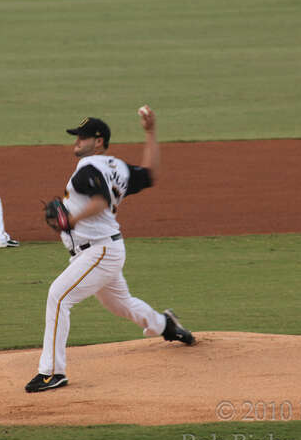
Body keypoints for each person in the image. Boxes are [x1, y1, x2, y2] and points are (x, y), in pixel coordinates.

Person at [25, 106, 194, 393]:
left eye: (84, 136)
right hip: (106, 249)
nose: (77, 140)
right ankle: (165, 324)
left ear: (99, 141)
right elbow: (150, 174)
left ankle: (52, 372)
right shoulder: (117, 167)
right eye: (77, 135)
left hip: (99, 252)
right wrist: (150, 132)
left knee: (58, 296)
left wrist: (70, 219)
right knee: (121, 304)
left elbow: (101, 200)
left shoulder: (87, 169)